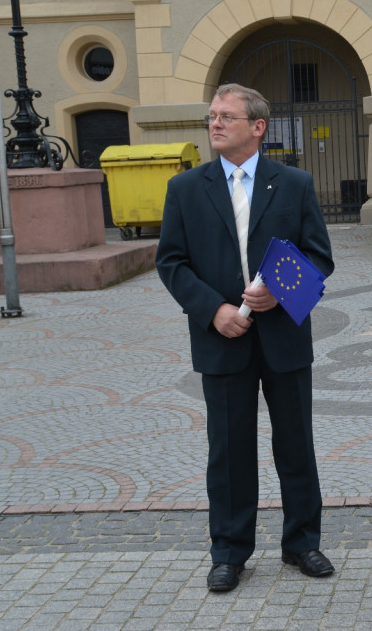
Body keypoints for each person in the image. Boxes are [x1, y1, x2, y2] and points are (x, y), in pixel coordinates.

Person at [155, 83, 335, 593]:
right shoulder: (186, 187)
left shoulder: (294, 183)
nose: (215, 124)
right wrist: (213, 311)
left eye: (227, 117)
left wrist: (280, 293)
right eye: (212, 115)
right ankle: (229, 552)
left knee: (296, 445)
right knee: (229, 450)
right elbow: (170, 261)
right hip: (221, 337)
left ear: (258, 127)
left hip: (283, 337)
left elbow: (320, 257)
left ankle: (303, 544)